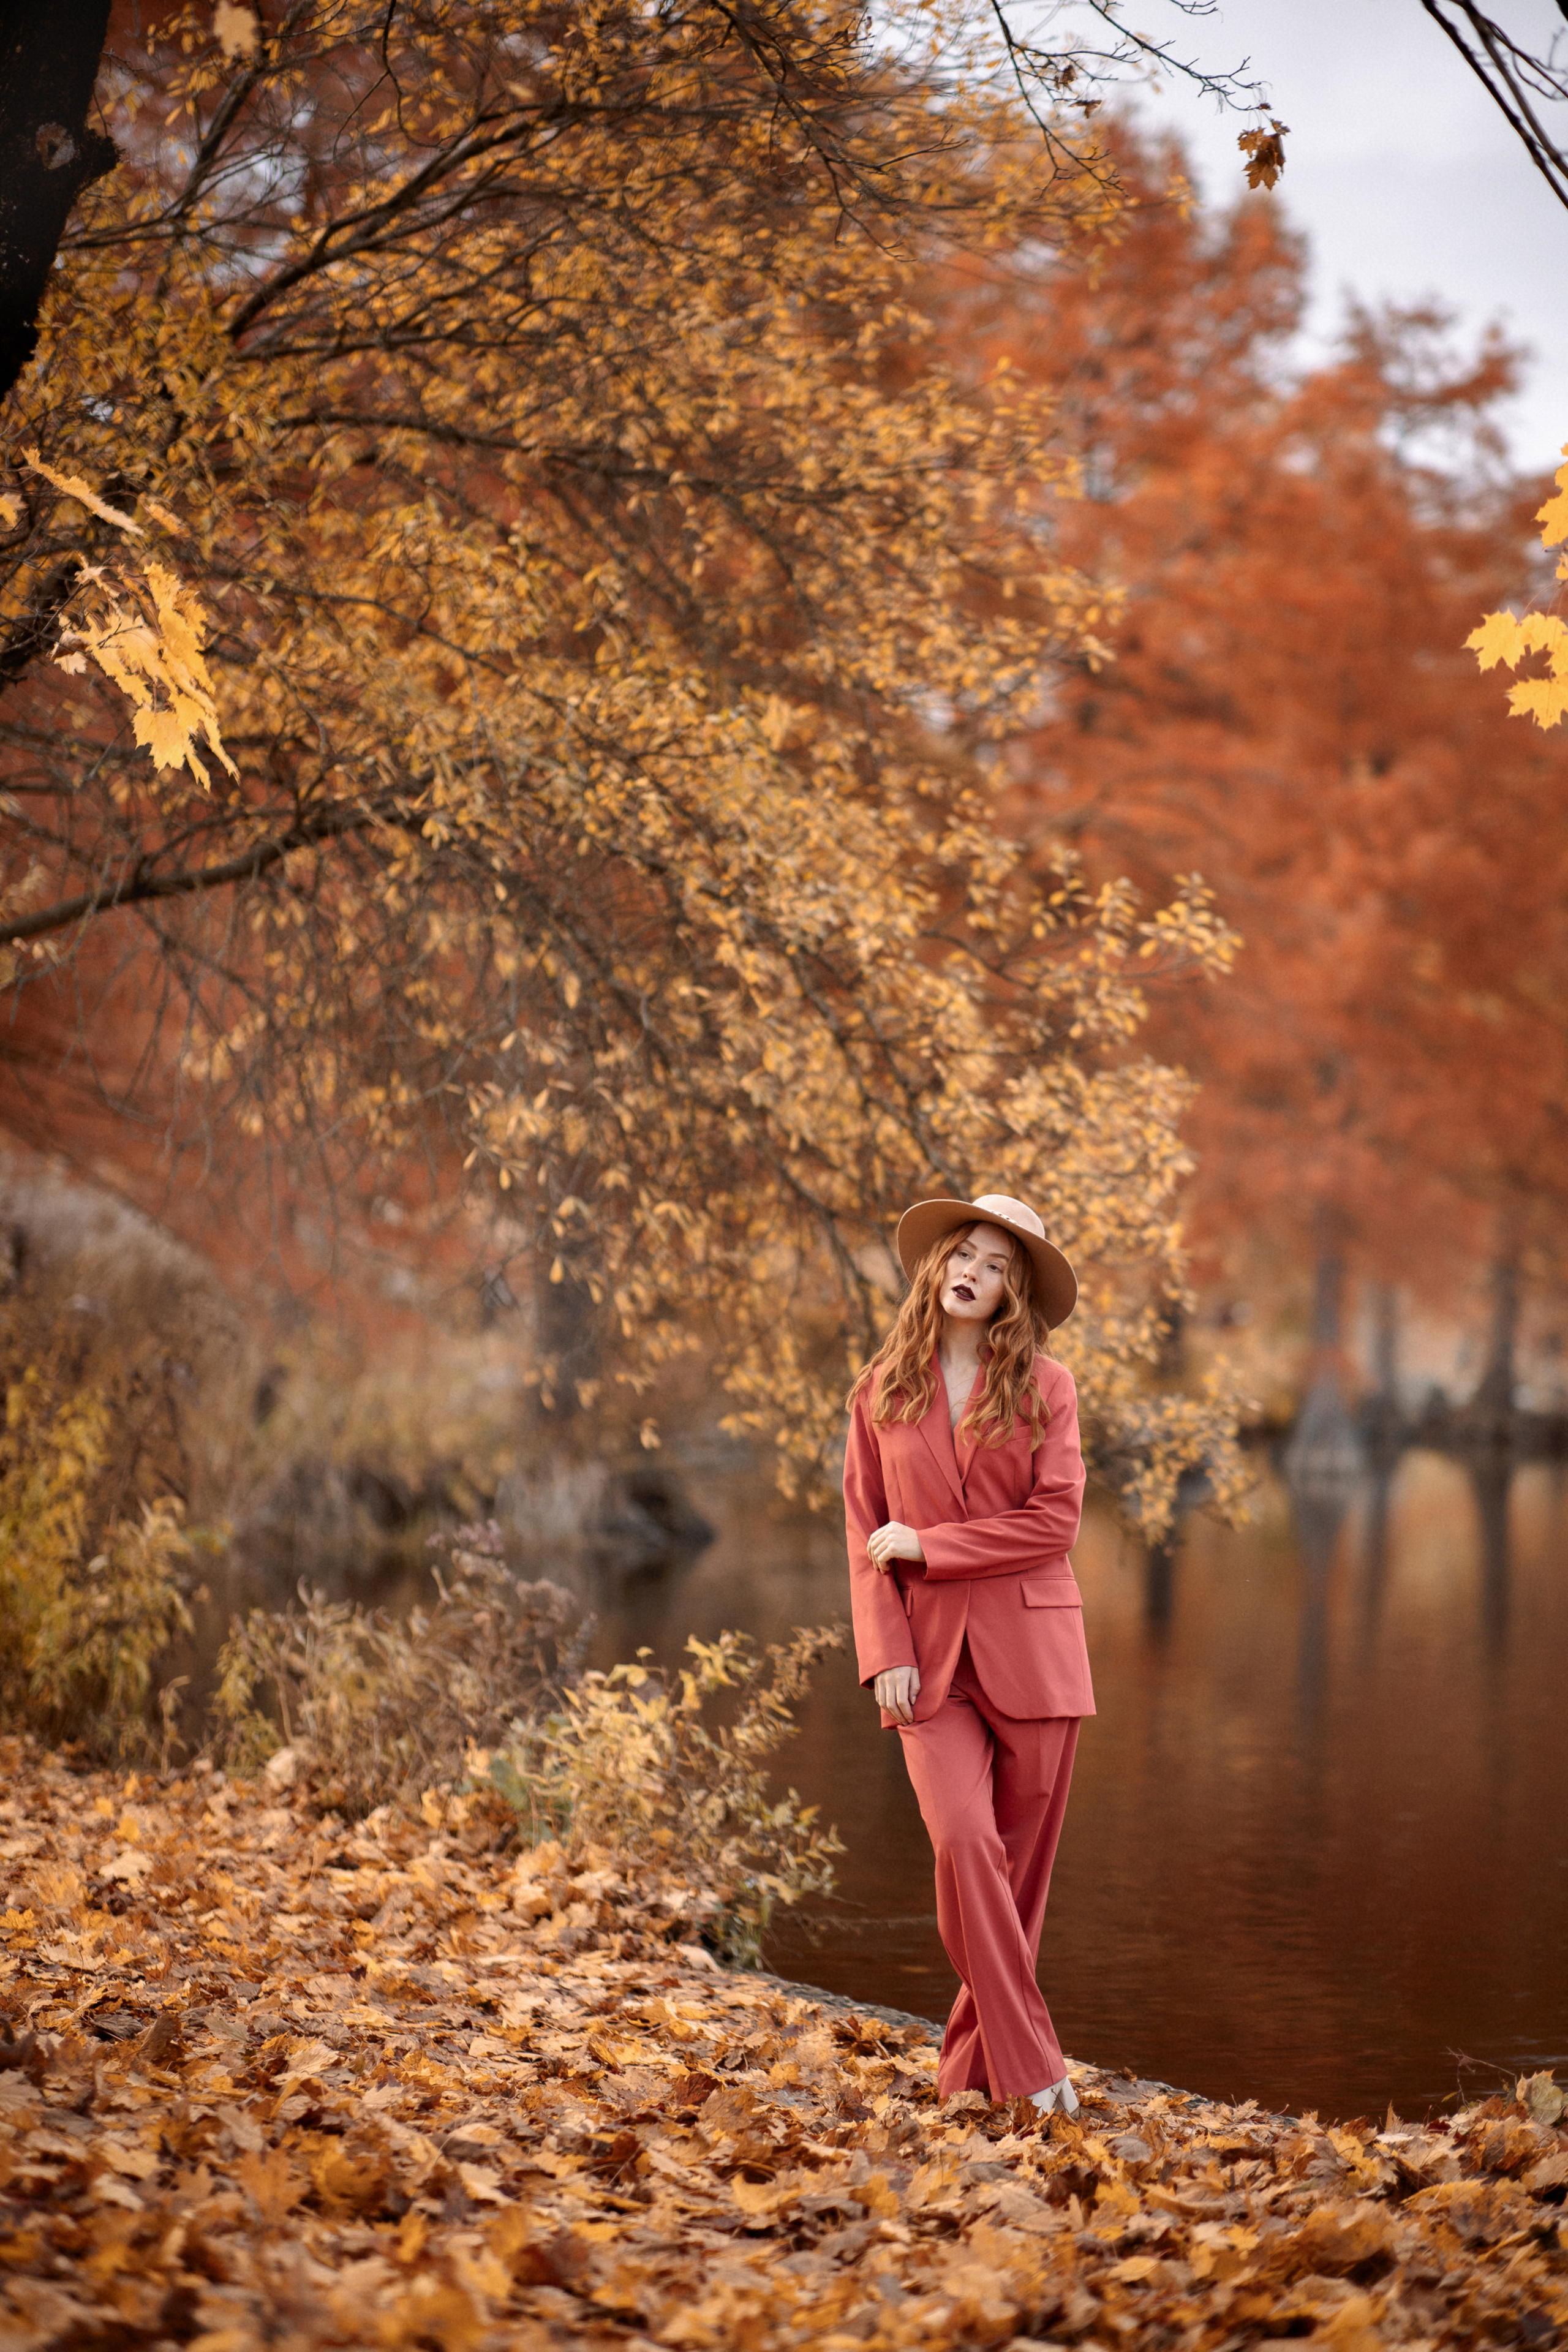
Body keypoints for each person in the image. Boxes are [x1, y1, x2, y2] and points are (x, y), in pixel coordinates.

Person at [843, 1192, 1092, 2114]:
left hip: (1037, 1656)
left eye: (997, 1266)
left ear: (1012, 1293)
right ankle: (1035, 2069)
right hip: (927, 1666)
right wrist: (884, 1651)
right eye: (966, 1253)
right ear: (937, 1263)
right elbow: (863, 1532)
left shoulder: (1047, 1386)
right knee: (963, 1845)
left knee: (1014, 1891)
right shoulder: (880, 1388)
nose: (974, 1273)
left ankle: (967, 2083)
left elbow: (1055, 1521)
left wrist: (933, 1547)